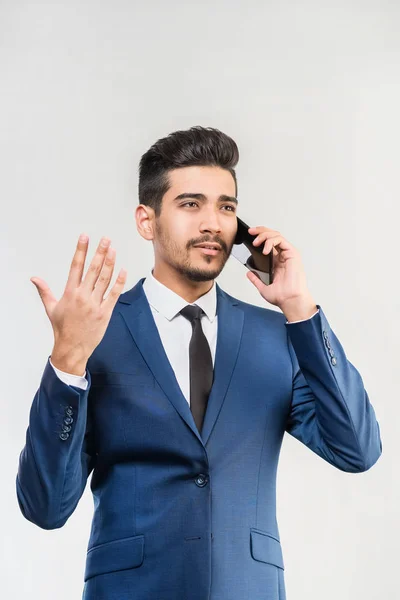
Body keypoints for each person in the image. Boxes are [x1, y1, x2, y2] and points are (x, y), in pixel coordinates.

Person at [16, 126, 382, 600]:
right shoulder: (96, 334)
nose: (214, 222)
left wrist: (300, 307)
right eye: (191, 204)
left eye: (226, 207)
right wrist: (67, 360)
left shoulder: (277, 337)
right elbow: (45, 507)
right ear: (147, 221)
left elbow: (357, 449)